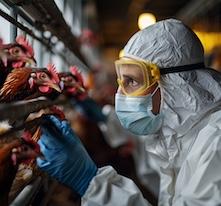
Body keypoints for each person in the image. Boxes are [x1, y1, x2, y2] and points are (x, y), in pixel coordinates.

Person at [37, 19, 221, 205]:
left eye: (132, 81)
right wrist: (105, 118)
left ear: (172, 84)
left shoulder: (216, 144)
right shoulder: (178, 133)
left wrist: (92, 184)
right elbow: (140, 141)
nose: (120, 95)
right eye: (121, 82)